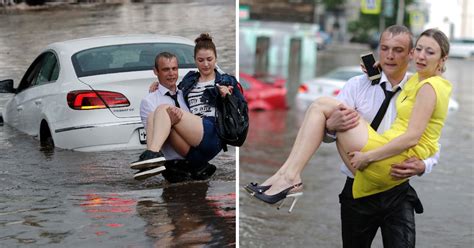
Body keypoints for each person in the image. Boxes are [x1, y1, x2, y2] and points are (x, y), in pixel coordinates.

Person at [247, 28, 451, 247]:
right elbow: (323, 135)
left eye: (398, 50)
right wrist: (331, 127)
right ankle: (284, 177)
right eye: (384, 49)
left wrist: (423, 166)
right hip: (356, 186)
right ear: (378, 50)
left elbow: (430, 140)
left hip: (395, 189)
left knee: (320, 105)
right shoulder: (357, 85)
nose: (390, 55)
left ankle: (289, 178)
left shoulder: (419, 87)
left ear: (409, 54)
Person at [130, 33, 245, 179]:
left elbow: (241, 110)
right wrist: (158, 88)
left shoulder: (225, 81)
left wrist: (228, 97)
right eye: (200, 60)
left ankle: (151, 155)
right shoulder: (187, 85)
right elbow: (156, 129)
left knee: (163, 109)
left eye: (209, 59)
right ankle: (152, 161)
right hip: (189, 152)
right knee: (158, 115)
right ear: (195, 61)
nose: (205, 64)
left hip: (211, 132)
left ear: (216, 59)